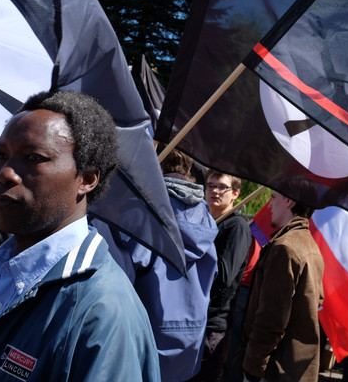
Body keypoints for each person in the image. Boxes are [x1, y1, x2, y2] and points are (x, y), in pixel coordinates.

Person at [0, 90, 160, 381]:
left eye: (33, 157)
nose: (5, 173)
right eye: (1, 155)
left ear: (87, 178)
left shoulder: (102, 311)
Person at [93, 149, 218, 381]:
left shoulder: (140, 213)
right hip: (188, 347)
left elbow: (114, 278)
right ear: (189, 170)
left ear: (154, 166)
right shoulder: (208, 219)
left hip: (142, 341)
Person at [242, 180, 324, 382]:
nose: (269, 205)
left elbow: (271, 317)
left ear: (288, 201)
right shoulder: (310, 246)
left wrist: (253, 367)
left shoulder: (285, 248)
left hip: (276, 369)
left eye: (273, 197)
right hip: (295, 368)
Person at [190, 170, 251, 381]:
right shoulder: (201, 221)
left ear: (235, 193)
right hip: (190, 317)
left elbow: (223, 276)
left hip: (212, 326)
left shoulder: (237, 227)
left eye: (222, 186)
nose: (215, 191)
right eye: (210, 185)